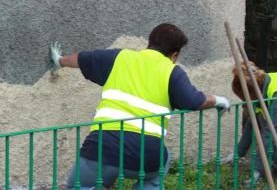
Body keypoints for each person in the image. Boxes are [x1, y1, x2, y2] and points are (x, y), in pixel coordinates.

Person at [50, 23, 231, 190]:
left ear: (150, 42)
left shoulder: (120, 58)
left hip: (103, 148)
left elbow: (82, 59)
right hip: (147, 155)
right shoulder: (172, 72)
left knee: (79, 185)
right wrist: (218, 100)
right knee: (162, 163)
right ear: (174, 55)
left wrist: (59, 61)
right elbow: (195, 101)